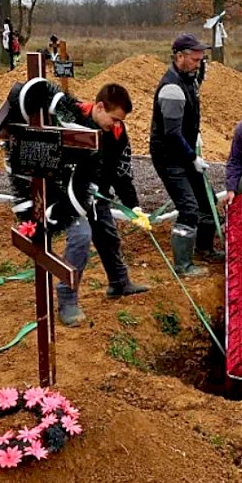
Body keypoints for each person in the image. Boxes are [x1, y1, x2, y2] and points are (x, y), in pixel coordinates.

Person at [56, 83, 150, 326]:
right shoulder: (71, 121)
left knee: (108, 235)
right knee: (81, 237)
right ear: (99, 107)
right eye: (113, 118)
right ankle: (67, 299)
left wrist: (134, 206)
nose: (116, 124)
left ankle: (119, 282)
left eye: (120, 120)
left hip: (98, 196)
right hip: (67, 196)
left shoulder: (117, 133)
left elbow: (122, 172)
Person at [149, 33, 222, 278]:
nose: (199, 63)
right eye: (194, 59)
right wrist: (192, 156)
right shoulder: (171, 89)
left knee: (208, 201)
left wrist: (194, 138)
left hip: (184, 151)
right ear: (179, 57)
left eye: (201, 59)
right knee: (189, 208)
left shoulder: (189, 78)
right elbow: (171, 134)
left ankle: (204, 248)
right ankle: (183, 265)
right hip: (170, 157)